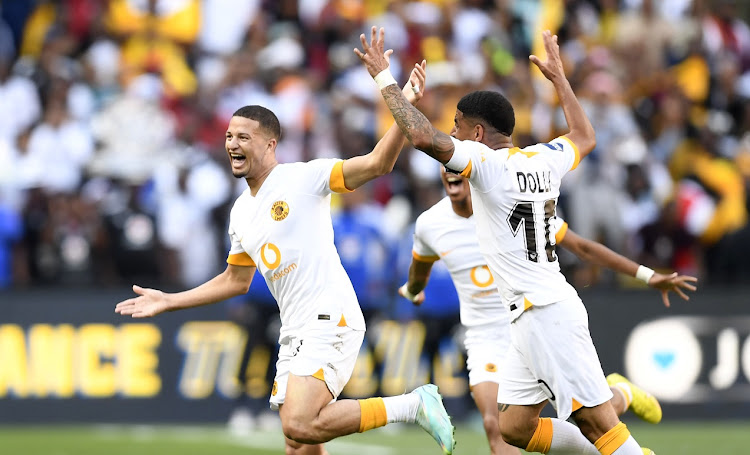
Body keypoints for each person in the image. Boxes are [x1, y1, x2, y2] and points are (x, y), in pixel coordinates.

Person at [115, 60, 457, 455]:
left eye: (243, 136)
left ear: (270, 144)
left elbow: (378, 164)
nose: (231, 144)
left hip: (331, 316)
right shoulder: (241, 212)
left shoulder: (303, 178)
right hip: (295, 328)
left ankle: (412, 404)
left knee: (300, 422)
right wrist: (170, 300)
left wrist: (402, 103)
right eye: (228, 136)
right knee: (298, 441)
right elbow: (235, 281)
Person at [354, 26, 662, 455]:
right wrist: (559, 80)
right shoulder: (544, 157)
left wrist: (384, 80)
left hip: (544, 311)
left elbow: (423, 137)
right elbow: (585, 137)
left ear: (478, 134)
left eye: (459, 127)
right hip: (529, 314)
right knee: (515, 428)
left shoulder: (484, 163)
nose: (455, 135)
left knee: (598, 424)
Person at [398, 168, 698, 455]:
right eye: (444, 165)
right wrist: (412, 291)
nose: (451, 171)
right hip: (484, 337)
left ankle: (621, 395)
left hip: (531, 322)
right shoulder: (430, 223)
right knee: (498, 425)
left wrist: (647, 275)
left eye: (456, 164)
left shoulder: (511, 205)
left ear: (472, 168)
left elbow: (581, 247)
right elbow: (419, 270)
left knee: (585, 415)